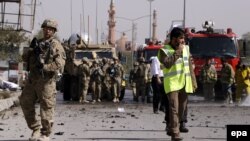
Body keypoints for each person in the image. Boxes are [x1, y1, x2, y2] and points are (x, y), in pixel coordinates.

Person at [19, 19, 66, 141]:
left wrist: (45, 67)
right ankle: (35, 128)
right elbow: (25, 59)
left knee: (46, 107)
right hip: (32, 79)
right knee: (25, 101)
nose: (47, 31)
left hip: (46, 81)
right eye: (45, 28)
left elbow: (59, 63)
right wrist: (29, 51)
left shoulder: (56, 45)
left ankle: (45, 133)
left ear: (54, 31)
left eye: (50, 29)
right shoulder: (37, 43)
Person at [158, 27, 196, 141]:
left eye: (183, 38)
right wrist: (178, 51)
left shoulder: (186, 49)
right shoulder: (164, 50)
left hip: (185, 83)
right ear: (174, 39)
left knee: (181, 109)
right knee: (174, 108)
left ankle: (172, 127)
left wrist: (193, 81)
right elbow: (168, 63)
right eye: (180, 38)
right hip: (172, 84)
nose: (183, 41)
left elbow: (189, 66)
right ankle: (175, 133)